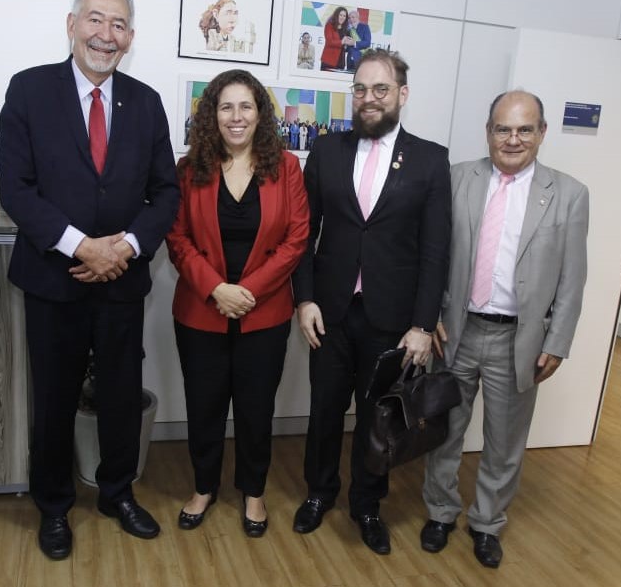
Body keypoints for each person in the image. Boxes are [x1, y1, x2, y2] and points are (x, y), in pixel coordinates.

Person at [0, 0, 179, 561]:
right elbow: (17, 190)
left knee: (122, 396)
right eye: (96, 19)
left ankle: (117, 492)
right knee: (53, 399)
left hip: (123, 281)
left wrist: (123, 248)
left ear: (130, 37)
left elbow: (166, 195)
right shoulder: (28, 91)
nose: (106, 34)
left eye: (119, 24)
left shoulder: (147, 104)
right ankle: (53, 505)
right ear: (72, 24)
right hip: (55, 281)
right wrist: (81, 246)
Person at [291, 49, 451, 555]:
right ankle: (319, 493)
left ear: (402, 95)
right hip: (330, 313)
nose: (368, 99)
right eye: (360, 89)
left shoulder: (429, 158)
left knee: (378, 418)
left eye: (380, 89)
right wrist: (305, 299)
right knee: (323, 411)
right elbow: (303, 234)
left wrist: (424, 325)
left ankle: (367, 504)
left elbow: (434, 249)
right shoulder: (326, 151)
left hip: (392, 319)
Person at [421, 90, 588, 568]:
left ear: (541, 134)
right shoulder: (457, 180)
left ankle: (487, 524)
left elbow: (574, 277)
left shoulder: (570, 194)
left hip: (520, 340)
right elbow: (432, 254)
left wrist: (558, 341)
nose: (512, 139)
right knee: (446, 430)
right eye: (503, 128)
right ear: (488, 131)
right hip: (456, 331)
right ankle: (440, 512)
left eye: (524, 129)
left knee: (505, 441)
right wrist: (429, 312)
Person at [166, 69, 309, 538]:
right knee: (203, 405)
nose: (236, 116)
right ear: (212, 114)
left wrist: (246, 292)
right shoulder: (189, 169)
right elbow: (178, 237)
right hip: (200, 311)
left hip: (263, 314)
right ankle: (204, 487)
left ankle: (254, 491)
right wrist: (216, 289)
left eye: (246, 106)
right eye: (226, 106)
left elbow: (296, 239)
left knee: (255, 408)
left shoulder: (286, 167)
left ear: (260, 114)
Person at [320, 6, 349, 71]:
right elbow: (329, 41)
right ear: (336, 15)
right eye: (340, 15)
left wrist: (349, 43)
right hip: (329, 60)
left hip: (340, 61)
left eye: (344, 16)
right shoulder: (329, 25)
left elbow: (345, 45)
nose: (342, 17)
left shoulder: (346, 29)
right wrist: (341, 42)